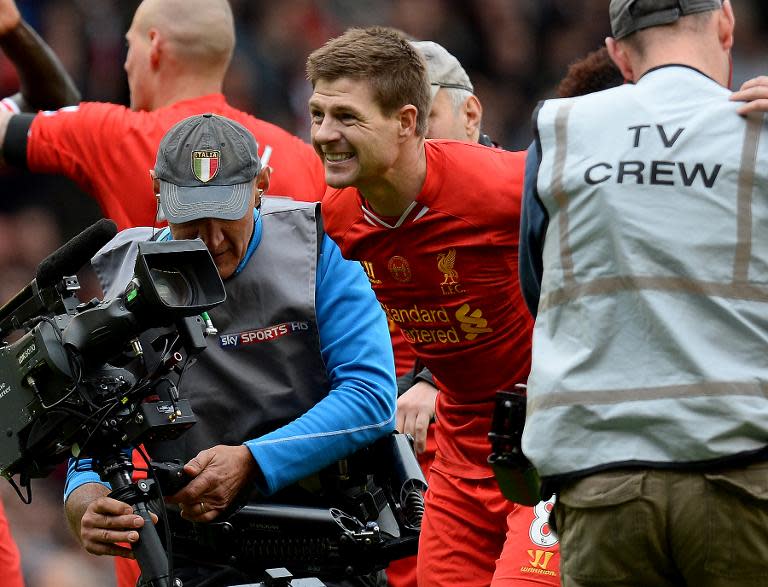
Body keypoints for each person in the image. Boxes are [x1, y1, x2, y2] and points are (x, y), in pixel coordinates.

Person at [63, 113, 396, 587]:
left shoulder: (317, 249)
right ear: (157, 192)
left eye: (226, 214)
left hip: (325, 536)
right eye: (191, 221)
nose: (212, 240)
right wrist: (84, 499)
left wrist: (254, 460)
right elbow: (95, 426)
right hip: (191, 554)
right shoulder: (123, 278)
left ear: (261, 183)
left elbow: (371, 398)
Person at [520, 1, 768, 585]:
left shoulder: (560, 130)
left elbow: (537, 288)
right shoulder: (762, 129)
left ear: (617, 54)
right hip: (742, 468)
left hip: (601, 475)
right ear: (727, 24)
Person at [307, 27, 559, 587]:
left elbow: (628, 192)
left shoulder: (503, 187)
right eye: (318, 114)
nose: (325, 134)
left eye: (346, 117)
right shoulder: (338, 218)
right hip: (462, 453)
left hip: (551, 439)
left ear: (405, 122)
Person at [0, 0, 326, 231]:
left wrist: (14, 31)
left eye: (131, 46)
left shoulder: (112, 134)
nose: (126, 64)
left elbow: (43, 108)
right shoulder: (302, 159)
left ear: (154, 45)